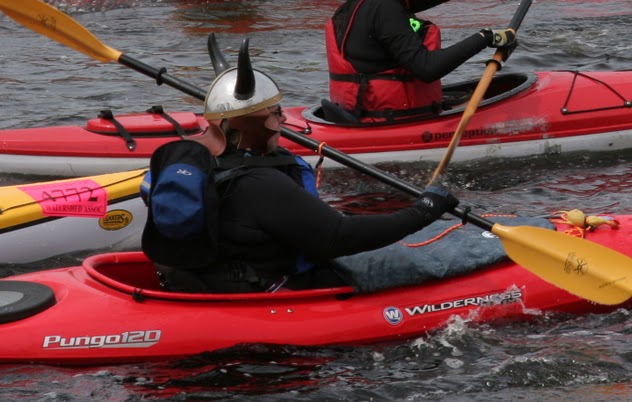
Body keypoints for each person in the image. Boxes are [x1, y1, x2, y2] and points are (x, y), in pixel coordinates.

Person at [146, 64, 460, 293]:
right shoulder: (261, 183)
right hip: (266, 293)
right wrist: (425, 210)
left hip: (210, 280)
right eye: (275, 113)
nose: (283, 120)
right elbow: (340, 237)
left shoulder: (200, 163)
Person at [324, 0, 565, 124]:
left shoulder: (367, 1)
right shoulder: (384, 9)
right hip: (387, 124)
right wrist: (486, 37)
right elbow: (427, 68)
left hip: (365, 114)